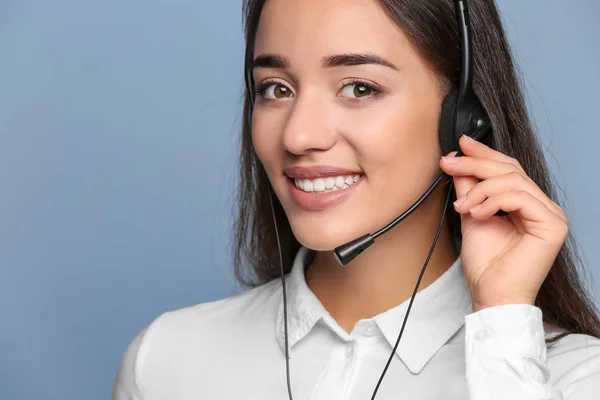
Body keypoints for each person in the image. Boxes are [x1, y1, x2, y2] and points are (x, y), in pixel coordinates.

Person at [112, 0, 600, 399]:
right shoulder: (165, 361)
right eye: (275, 89)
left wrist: (503, 324)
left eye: (359, 88)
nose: (299, 134)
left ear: (462, 118)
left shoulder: (574, 378)